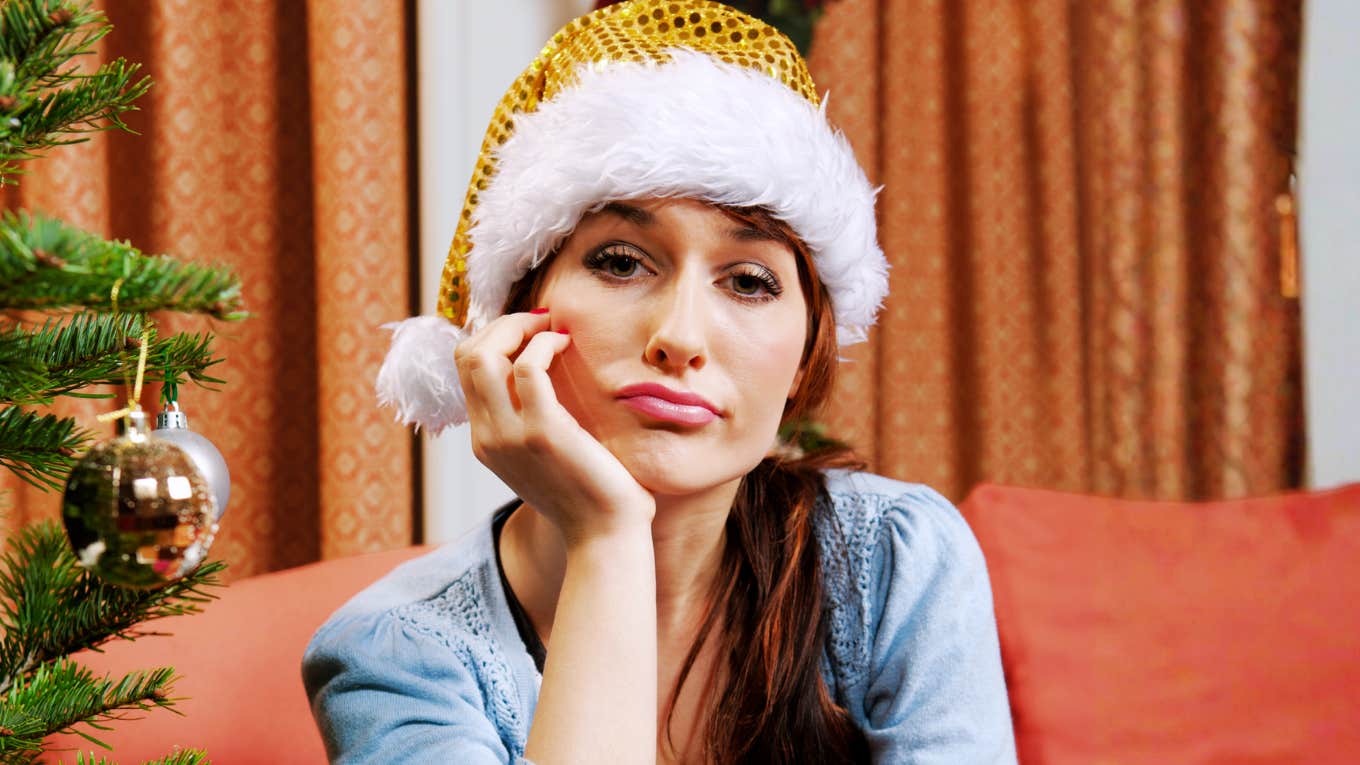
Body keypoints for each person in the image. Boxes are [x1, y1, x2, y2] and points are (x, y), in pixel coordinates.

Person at [302, 1, 1016, 762]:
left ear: (808, 349)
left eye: (749, 281)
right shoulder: (396, 655)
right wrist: (607, 539)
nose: (680, 337)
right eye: (621, 262)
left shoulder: (894, 561)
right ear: (516, 317)